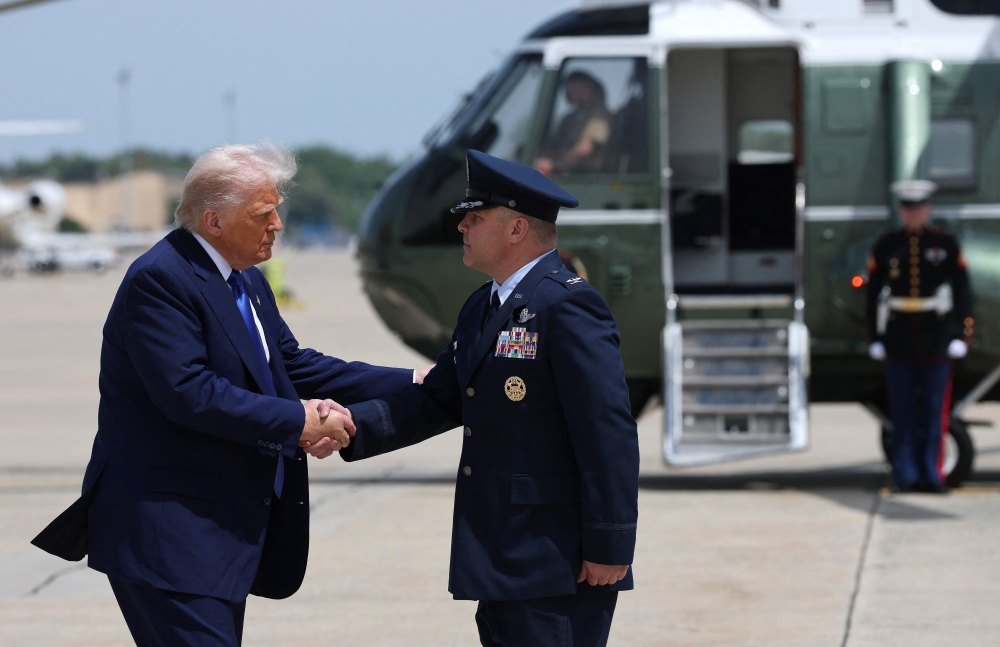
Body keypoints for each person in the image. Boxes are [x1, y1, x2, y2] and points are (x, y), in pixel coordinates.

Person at [32, 142, 423, 646]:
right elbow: (190, 392)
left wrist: (412, 381)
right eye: (264, 212)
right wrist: (297, 422)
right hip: (169, 535)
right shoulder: (161, 280)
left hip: (218, 536)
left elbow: (293, 364)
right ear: (214, 221)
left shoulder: (245, 281)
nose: (278, 224)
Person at [315, 149, 640, 646]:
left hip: (556, 557)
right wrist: (353, 425)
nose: (462, 228)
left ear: (516, 230)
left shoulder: (569, 304)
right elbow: (442, 397)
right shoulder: (483, 305)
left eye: (476, 217)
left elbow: (607, 430)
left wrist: (611, 544)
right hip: (501, 552)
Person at [865, 179, 974, 494]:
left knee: (933, 412)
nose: (913, 214)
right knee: (903, 413)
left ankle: (932, 474)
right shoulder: (887, 244)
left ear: (927, 210)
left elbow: (962, 291)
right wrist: (875, 337)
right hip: (899, 338)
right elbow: (873, 294)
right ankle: (906, 475)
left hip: (936, 337)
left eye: (919, 208)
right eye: (908, 208)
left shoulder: (944, 244)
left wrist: (962, 335)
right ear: (901, 211)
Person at [534, 71, 612, 176]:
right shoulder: (569, 119)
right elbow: (554, 144)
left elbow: (585, 148)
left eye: (581, 90)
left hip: (588, 177)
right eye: (573, 91)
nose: (577, 96)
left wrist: (556, 164)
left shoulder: (600, 115)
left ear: (593, 90)